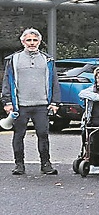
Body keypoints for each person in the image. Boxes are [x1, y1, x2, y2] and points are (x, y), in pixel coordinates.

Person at [2, 28, 60, 176]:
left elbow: (54, 82)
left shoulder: (48, 60)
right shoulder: (13, 60)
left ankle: (46, 164)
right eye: (29, 40)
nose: (32, 43)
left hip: (42, 105)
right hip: (20, 105)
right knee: (18, 135)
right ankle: (19, 165)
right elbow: (7, 82)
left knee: (43, 134)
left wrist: (55, 102)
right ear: (23, 42)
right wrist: (7, 101)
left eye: (35, 40)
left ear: (40, 42)